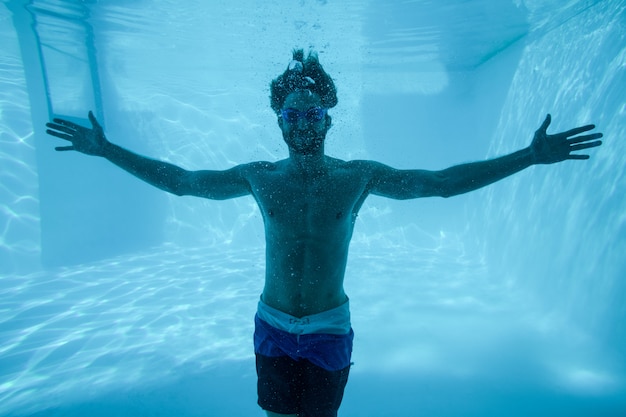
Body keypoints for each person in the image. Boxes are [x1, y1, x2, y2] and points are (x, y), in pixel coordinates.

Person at [46, 49, 603, 417]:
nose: (303, 125)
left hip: (329, 329)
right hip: (270, 322)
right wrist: (106, 149)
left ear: (329, 121)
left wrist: (529, 157)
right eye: (293, 116)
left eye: (313, 116)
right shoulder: (259, 178)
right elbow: (185, 183)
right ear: (279, 122)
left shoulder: (356, 177)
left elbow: (440, 184)